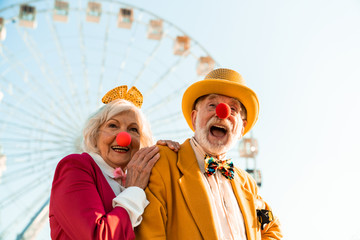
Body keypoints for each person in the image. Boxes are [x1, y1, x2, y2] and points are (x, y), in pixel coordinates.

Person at [135, 68, 282, 239]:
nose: (222, 112)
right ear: (194, 118)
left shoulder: (247, 183)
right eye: (212, 105)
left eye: (233, 109)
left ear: (242, 128)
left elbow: (273, 228)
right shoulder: (163, 161)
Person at [49, 85, 180, 240]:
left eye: (133, 130)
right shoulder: (75, 166)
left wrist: (169, 157)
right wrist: (135, 190)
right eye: (112, 125)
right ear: (95, 135)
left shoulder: (143, 182)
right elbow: (98, 236)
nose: (123, 136)